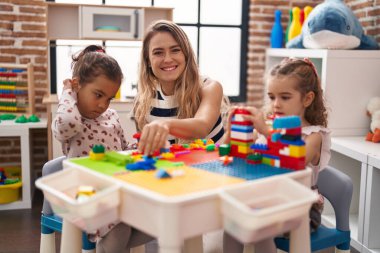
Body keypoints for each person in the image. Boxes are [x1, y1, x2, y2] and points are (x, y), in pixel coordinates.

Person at [52, 45, 153, 252]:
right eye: (98, 95)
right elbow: (66, 123)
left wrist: (140, 146)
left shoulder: (112, 116)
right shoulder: (73, 118)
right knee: (119, 226)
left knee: (155, 218)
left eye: (109, 98)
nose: (103, 105)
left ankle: (109, 245)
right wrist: (67, 92)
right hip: (87, 194)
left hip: (116, 190)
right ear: (77, 86)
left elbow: (123, 149)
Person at [223, 57, 330, 253]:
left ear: (307, 99)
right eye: (272, 97)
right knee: (231, 224)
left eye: (285, 97)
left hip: (303, 207)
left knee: (259, 227)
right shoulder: (271, 127)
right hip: (270, 197)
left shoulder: (314, 136)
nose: (276, 104)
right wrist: (232, 132)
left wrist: (264, 131)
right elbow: (226, 149)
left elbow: (295, 161)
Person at [133, 20, 228, 155]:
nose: (167, 59)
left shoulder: (210, 87)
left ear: (186, 54)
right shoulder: (142, 101)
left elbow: (202, 126)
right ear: (148, 60)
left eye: (175, 50)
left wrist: (166, 124)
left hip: (214, 169)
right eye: (158, 52)